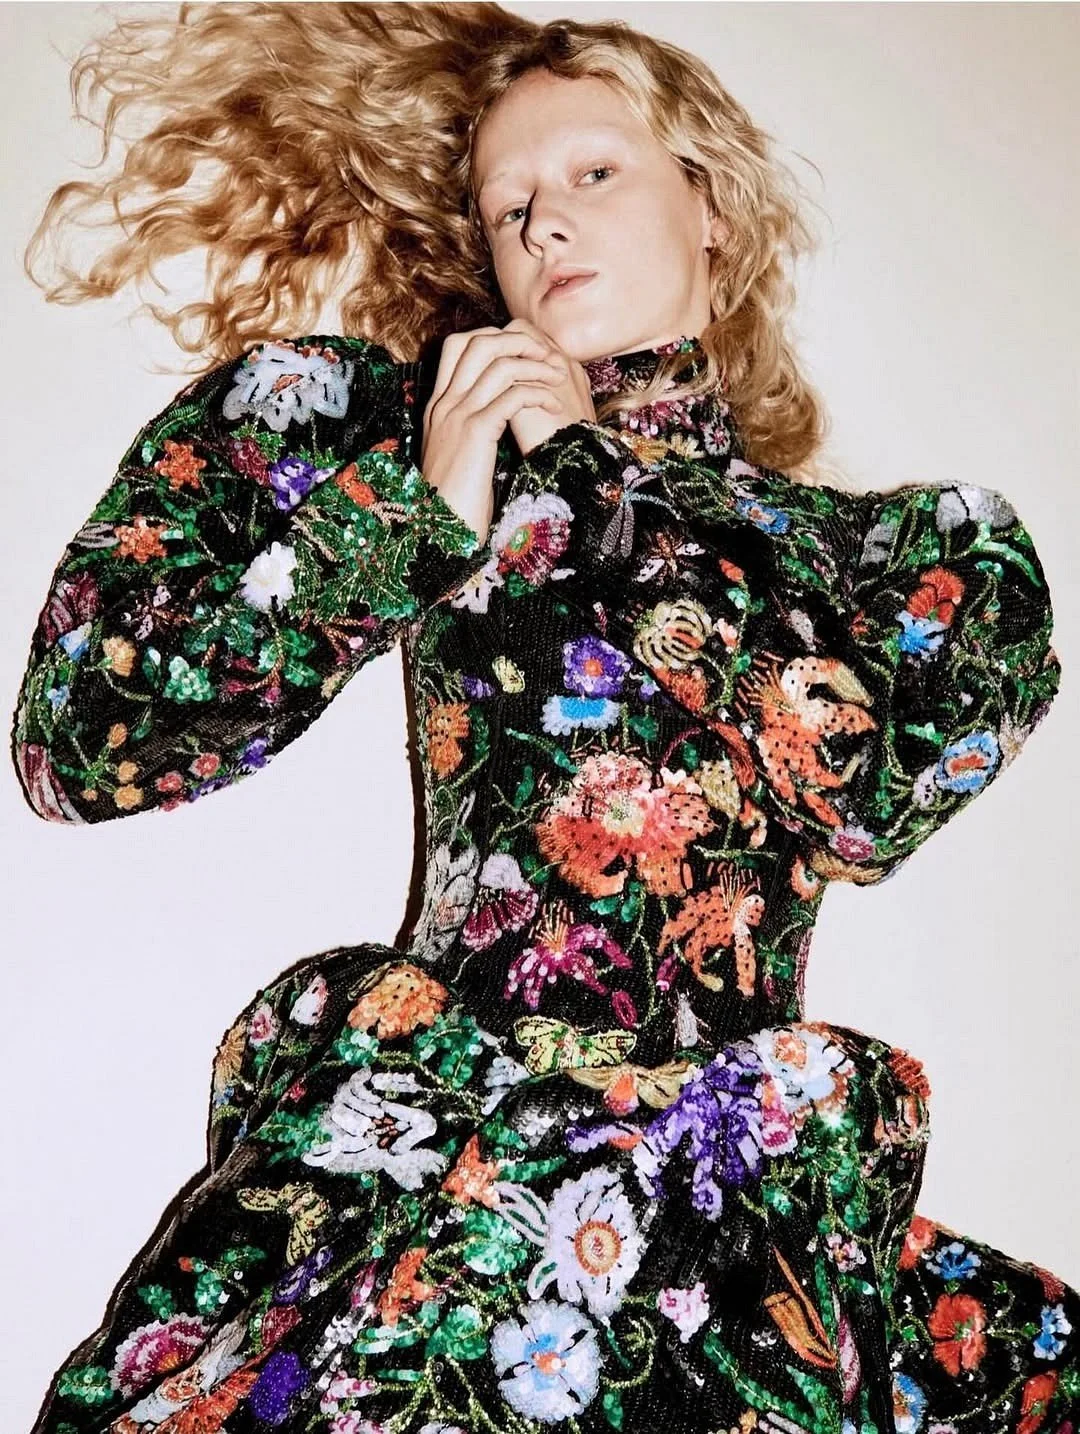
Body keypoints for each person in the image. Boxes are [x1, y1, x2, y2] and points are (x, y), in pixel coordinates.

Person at [10, 5, 1076, 1432]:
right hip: (423, 1155)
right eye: (508, 204)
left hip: (716, 1216)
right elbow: (79, 741)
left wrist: (590, 471)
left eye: (593, 174)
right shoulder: (391, 433)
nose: (544, 223)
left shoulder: (900, 557)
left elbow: (870, 797)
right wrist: (407, 523)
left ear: (711, 205)